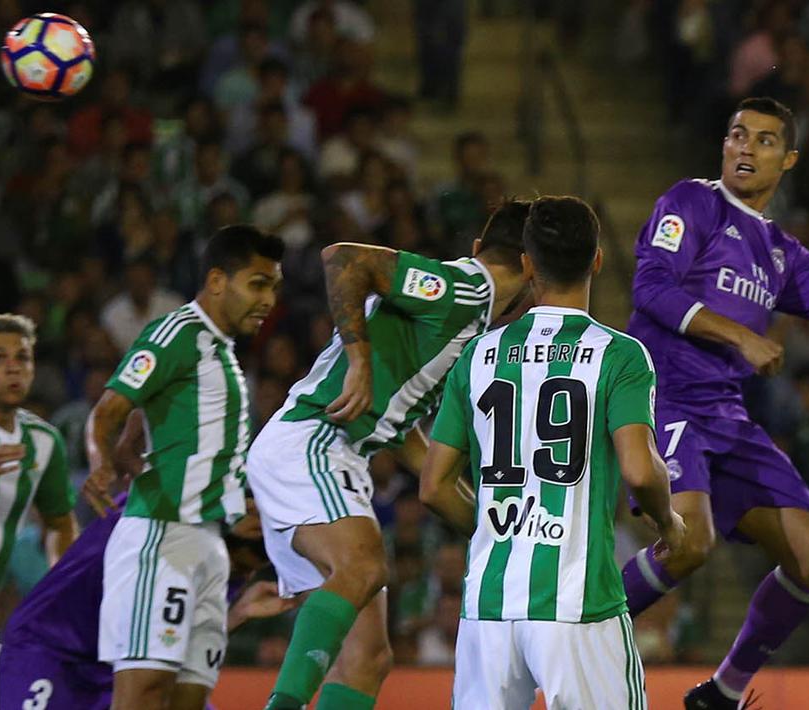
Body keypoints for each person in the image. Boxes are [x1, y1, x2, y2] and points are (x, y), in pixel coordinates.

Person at [251, 201, 533, 710]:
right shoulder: (465, 288)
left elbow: (404, 436)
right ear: (532, 267)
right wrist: (357, 360)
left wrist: (495, 531)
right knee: (363, 566)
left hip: (340, 456)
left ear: (479, 246)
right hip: (312, 442)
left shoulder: (467, 328)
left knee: (368, 657)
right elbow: (343, 258)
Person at [420, 195, 685, 709]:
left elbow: (433, 487)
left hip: (489, 610)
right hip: (577, 604)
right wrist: (669, 521)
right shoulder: (619, 355)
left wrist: (499, 532)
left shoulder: (478, 354)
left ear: (526, 263)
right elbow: (638, 467)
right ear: (598, 260)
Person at [621, 96, 809, 710]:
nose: (746, 148)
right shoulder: (693, 202)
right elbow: (650, 287)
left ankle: (721, 692)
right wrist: (740, 334)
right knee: (690, 544)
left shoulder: (783, 252)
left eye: (764, 140)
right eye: (737, 135)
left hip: (728, 419)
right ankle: (578, 631)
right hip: (664, 396)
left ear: (789, 158)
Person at [83, 225, 285, 710]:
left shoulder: (224, 354)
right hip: (162, 536)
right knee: (142, 694)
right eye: (257, 284)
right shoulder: (177, 333)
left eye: (274, 287)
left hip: (210, 547)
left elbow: (161, 441)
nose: (268, 300)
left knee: (190, 699)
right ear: (217, 280)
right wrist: (99, 463)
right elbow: (108, 411)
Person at [0, 494, 297, 710]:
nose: (239, 577)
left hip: (117, 671)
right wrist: (223, 509)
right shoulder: (149, 517)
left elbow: (175, 640)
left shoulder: (220, 569)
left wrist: (235, 616)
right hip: (51, 653)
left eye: (247, 573)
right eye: (241, 568)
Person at [0, 314, 79, 710]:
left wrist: (59, 585)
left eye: (23, 358)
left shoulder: (43, 442)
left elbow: (60, 522)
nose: (13, 366)